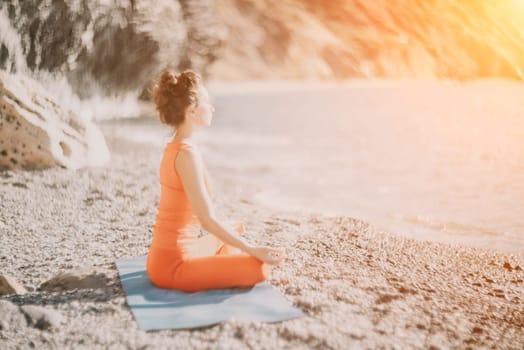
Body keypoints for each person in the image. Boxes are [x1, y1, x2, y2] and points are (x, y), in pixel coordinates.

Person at [146, 69, 286, 292]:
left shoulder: (177, 147)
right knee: (259, 268)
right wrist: (252, 250)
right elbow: (207, 220)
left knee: (234, 228)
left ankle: (223, 261)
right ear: (192, 110)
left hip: (163, 256)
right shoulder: (186, 155)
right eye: (207, 102)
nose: (211, 107)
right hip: (173, 266)